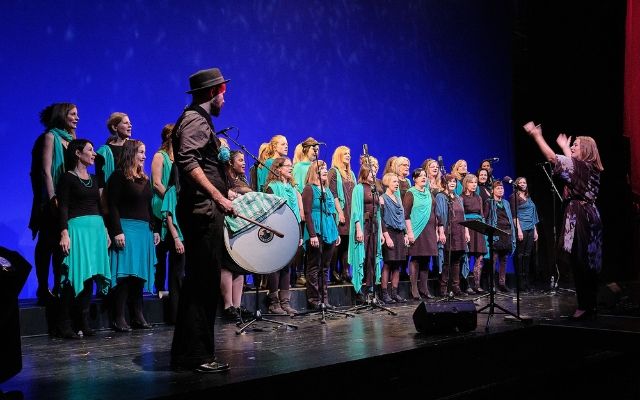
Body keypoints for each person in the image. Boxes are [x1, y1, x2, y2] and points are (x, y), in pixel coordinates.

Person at [170, 67, 234, 373]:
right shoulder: (196, 119)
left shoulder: (197, 118)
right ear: (213, 92)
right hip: (202, 211)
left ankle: (190, 353)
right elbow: (187, 159)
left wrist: (225, 192)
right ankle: (197, 355)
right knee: (203, 284)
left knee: (202, 283)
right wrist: (218, 196)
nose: (225, 98)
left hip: (205, 209)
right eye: (223, 92)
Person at [523, 121, 603, 320]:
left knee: (581, 260)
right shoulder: (587, 168)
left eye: (576, 144)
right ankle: (589, 303)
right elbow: (572, 169)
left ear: (585, 149)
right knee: (585, 260)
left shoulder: (582, 167)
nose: (573, 146)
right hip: (589, 214)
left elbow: (552, 158)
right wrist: (566, 149)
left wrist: (537, 136)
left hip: (581, 217)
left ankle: (585, 305)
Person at [57, 139, 111, 338]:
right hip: (77, 230)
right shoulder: (67, 178)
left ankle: (84, 322)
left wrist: (105, 230)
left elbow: (99, 205)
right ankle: (65, 324)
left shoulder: (95, 179)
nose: (93, 153)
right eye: (90, 150)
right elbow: (63, 207)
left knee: (89, 277)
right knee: (74, 277)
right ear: (78, 153)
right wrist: (64, 233)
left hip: (95, 229)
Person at [107, 140, 159, 332]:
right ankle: (118, 317)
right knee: (124, 276)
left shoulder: (144, 179)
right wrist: (117, 231)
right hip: (126, 230)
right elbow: (112, 205)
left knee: (138, 277)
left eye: (145, 152)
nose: (145, 156)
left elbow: (148, 206)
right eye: (141, 152)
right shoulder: (119, 177)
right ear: (131, 153)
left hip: (143, 231)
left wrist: (154, 229)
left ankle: (138, 315)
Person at [29, 103, 78, 305]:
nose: (77, 118)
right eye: (73, 114)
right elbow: (46, 171)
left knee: (62, 246)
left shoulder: (72, 138)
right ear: (62, 115)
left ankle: (59, 286)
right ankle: (42, 287)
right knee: (47, 244)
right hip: (51, 200)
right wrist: (52, 198)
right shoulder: (50, 137)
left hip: (69, 198)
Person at [151, 123, 185, 324]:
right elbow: (157, 183)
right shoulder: (160, 156)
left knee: (175, 256)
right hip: (161, 204)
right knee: (162, 249)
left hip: (174, 205)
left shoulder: (178, 158)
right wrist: (172, 200)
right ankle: (159, 287)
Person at [265, 157, 304, 315]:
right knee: (276, 266)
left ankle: (285, 302)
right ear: (278, 168)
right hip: (276, 230)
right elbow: (268, 212)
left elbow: (296, 213)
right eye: (287, 166)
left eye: (291, 166)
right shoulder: (272, 187)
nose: (290, 168)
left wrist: (299, 233)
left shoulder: (293, 189)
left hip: (291, 230)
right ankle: (274, 303)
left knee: (287, 266)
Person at [302, 160, 340, 309]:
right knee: (314, 266)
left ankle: (325, 300)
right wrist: (312, 234)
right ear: (314, 171)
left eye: (325, 168)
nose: (325, 170)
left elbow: (331, 212)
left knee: (325, 267)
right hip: (316, 229)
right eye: (321, 168)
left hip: (329, 229)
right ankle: (314, 299)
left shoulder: (328, 190)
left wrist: (336, 232)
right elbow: (307, 212)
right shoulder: (309, 189)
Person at [220, 150, 252, 322]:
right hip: (227, 225)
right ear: (231, 163)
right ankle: (228, 305)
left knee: (239, 266)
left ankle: (238, 305)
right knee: (227, 265)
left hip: (242, 226)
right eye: (240, 160)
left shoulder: (243, 180)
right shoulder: (224, 179)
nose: (244, 163)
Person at [348, 163, 383, 302]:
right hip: (363, 225)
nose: (373, 174)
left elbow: (378, 212)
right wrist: (358, 229)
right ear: (364, 173)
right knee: (363, 257)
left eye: (374, 171)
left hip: (374, 226)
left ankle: (371, 290)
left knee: (372, 257)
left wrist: (380, 232)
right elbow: (356, 210)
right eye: (370, 172)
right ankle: (359, 291)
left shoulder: (375, 189)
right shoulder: (359, 188)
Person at [404, 168, 438, 300]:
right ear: (414, 179)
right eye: (420, 176)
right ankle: (414, 289)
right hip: (416, 230)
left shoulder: (429, 193)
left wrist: (436, 230)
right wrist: (410, 233)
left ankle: (424, 288)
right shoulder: (410, 193)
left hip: (429, 231)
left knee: (426, 260)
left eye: (425, 175)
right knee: (416, 259)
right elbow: (406, 215)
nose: (424, 178)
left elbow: (434, 212)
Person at [436, 174, 470, 297]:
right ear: (445, 183)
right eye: (450, 181)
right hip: (448, 231)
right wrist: (441, 232)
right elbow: (439, 215)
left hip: (459, 232)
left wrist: (466, 231)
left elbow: (463, 216)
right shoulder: (440, 196)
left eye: (454, 181)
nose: (452, 183)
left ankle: (456, 286)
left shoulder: (458, 198)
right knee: (447, 260)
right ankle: (443, 288)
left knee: (456, 260)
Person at [328, 146, 356, 284]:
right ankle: (333, 272)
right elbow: (333, 194)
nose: (348, 156)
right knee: (337, 244)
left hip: (351, 212)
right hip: (340, 212)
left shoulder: (351, 174)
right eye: (345, 153)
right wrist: (340, 212)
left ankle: (345, 271)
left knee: (347, 244)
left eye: (349, 153)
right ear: (338, 155)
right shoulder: (333, 172)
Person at [380, 173, 408, 303]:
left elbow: (403, 217)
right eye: (394, 181)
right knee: (388, 264)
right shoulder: (382, 198)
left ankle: (394, 292)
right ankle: (384, 293)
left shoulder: (398, 198)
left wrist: (406, 233)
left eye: (397, 182)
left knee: (397, 264)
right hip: (389, 232)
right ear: (387, 182)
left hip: (399, 233)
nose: (397, 184)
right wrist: (386, 236)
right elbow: (381, 219)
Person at [484, 180, 516, 292]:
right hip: (496, 233)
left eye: (502, 188)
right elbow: (486, 217)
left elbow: (510, 218)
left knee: (504, 259)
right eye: (498, 188)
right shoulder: (489, 202)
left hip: (506, 233)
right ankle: (491, 284)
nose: (500, 190)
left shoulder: (506, 203)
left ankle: (502, 283)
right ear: (492, 190)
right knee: (493, 259)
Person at [510, 177, 539, 292]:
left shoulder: (528, 197)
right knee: (520, 255)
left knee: (527, 255)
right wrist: (519, 230)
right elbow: (514, 215)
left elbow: (533, 214)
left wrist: (535, 230)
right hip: (521, 227)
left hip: (531, 228)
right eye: (520, 182)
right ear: (516, 184)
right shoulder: (514, 197)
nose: (522, 184)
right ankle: (520, 283)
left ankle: (527, 282)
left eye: (524, 182)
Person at [461, 173, 487, 294]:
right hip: (468, 227)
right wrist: (466, 230)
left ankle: (477, 284)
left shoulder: (478, 197)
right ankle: (466, 285)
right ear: (466, 183)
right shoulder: (461, 198)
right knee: (466, 257)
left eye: (475, 182)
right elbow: (461, 215)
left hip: (479, 228)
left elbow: (481, 214)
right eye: (471, 182)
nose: (474, 185)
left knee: (479, 257)